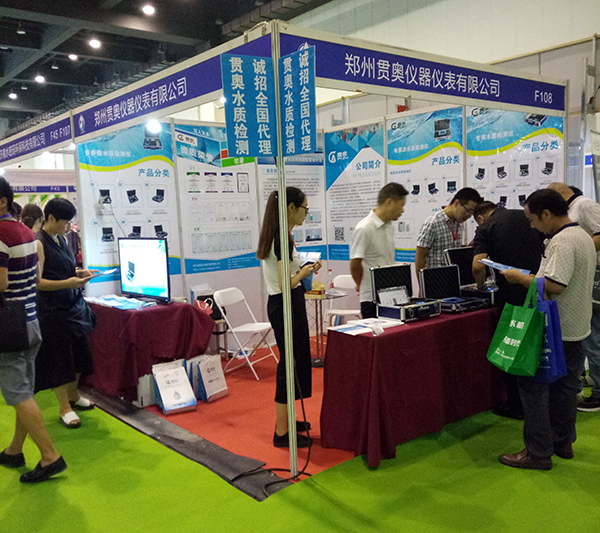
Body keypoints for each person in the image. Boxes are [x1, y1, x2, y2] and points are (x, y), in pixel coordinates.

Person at [499, 189, 596, 470]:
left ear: (546, 214)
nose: (532, 226)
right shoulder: (583, 236)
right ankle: (562, 442)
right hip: (576, 327)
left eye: (532, 220)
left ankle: (538, 452)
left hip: (554, 329)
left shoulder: (562, 241)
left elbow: (554, 286)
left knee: (534, 387)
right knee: (565, 388)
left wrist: (519, 277)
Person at [0, 177, 67, 484]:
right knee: (24, 391)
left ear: (3, 201)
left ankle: (50, 456)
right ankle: (15, 450)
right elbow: (33, 279)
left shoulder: (1, 234)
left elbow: (1, 284)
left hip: (9, 328)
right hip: (30, 321)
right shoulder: (25, 232)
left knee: (18, 394)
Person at [256, 187, 321, 448]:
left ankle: (288, 421)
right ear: (291, 208)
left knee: (295, 362)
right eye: (305, 208)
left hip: (287, 303)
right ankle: (282, 432)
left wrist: (304, 269)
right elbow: (285, 283)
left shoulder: (281, 235)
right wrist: (303, 274)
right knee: (288, 366)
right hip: (284, 305)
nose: (306, 213)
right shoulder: (281, 238)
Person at [472, 200, 545, 420]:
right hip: (538, 288)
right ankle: (538, 403)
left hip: (511, 295)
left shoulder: (486, 227)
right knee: (536, 347)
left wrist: (480, 287)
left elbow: (478, 266)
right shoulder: (525, 216)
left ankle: (516, 405)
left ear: (480, 217)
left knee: (511, 348)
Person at [35, 198, 98, 429]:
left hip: (73, 306)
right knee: (60, 360)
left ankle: (74, 395)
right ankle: (64, 407)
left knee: (81, 354)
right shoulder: (39, 243)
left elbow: (66, 269)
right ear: (51, 218)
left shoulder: (61, 239)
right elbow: (38, 282)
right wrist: (68, 283)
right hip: (52, 311)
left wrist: (80, 273)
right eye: (65, 222)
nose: (69, 227)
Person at [548, 182, 600, 412]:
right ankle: (579, 386)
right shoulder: (573, 211)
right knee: (586, 340)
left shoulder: (585, 205)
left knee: (592, 339)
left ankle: (598, 394)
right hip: (584, 279)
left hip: (592, 279)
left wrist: (580, 252)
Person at [350, 183, 408, 319]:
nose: (402, 210)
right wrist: (361, 285)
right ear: (389, 202)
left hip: (391, 296)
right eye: (401, 205)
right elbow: (355, 264)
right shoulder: (364, 228)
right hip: (371, 299)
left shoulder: (389, 226)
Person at [415, 187, 483, 279]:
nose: (469, 216)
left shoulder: (460, 223)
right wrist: (422, 285)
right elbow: (420, 257)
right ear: (457, 203)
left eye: (472, 213)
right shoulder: (433, 223)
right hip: (434, 280)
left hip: (452, 279)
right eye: (468, 211)